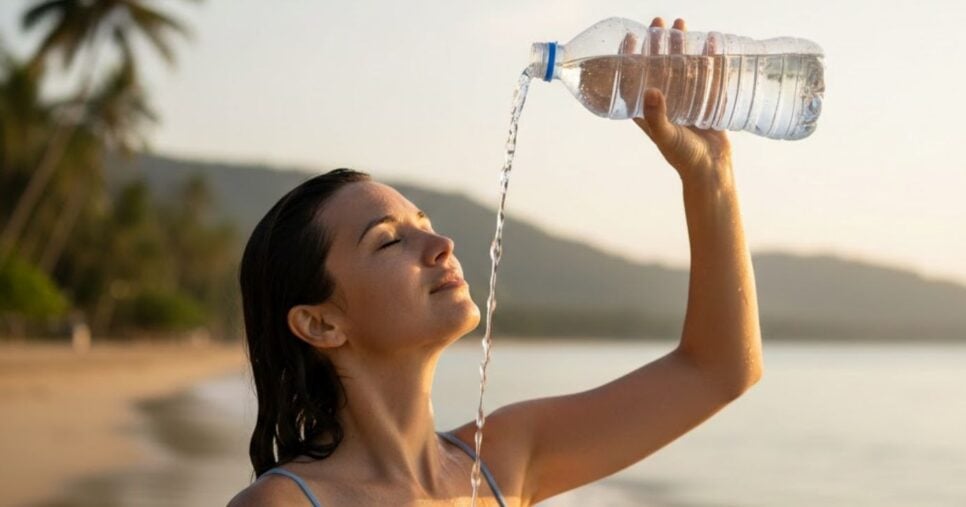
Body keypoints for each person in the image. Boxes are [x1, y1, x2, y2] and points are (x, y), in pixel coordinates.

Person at [229, 16, 762, 507]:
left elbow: (719, 369)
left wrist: (710, 175)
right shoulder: (287, 502)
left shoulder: (503, 458)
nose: (441, 244)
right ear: (320, 323)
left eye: (425, 223)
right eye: (389, 241)